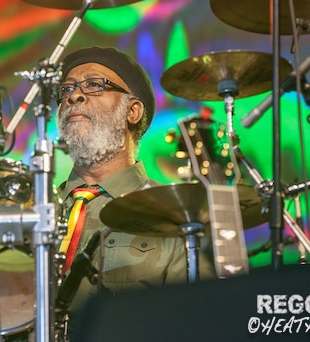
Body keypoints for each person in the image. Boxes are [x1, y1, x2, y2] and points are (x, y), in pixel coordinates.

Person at [54, 46, 215, 319]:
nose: (74, 95)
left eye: (93, 85)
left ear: (132, 112)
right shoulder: (33, 209)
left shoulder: (176, 212)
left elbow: (198, 320)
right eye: (66, 89)